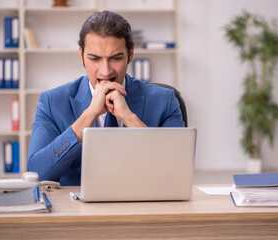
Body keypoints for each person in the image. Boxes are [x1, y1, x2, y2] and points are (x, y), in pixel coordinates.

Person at [27, 11, 184, 186]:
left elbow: (176, 173)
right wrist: (88, 116)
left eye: (116, 58)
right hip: (76, 209)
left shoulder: (165, 101)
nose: (106, 71)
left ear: (130, 54)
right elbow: (37, 174)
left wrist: (130, 118)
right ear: (81, 56)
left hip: (143, 204)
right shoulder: (52, 102)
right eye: (95, 59)